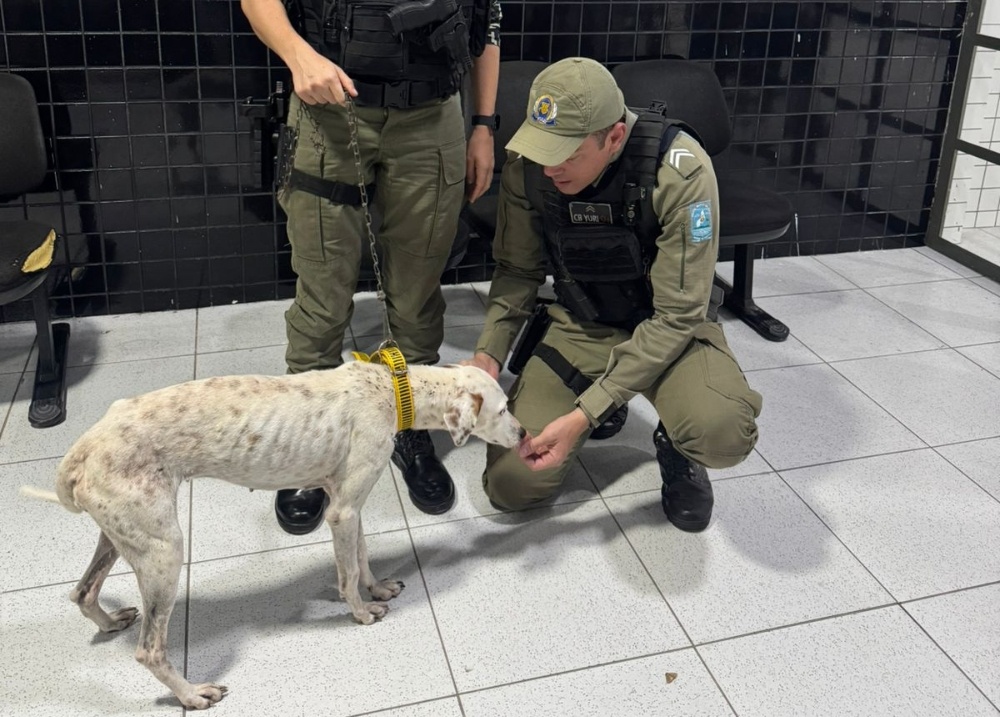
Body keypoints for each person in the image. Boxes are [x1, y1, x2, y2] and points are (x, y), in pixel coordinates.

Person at [466, 57, 762, 531]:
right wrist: (488, 355)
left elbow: (677, 316)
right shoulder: (530, 167)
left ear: (615, 138)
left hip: (667, 331)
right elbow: (517, 270)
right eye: (543, 149)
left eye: (567, 154)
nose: (550, 168)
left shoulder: (679, 172)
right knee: (511, 486)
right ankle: (599, 396)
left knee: (722, 432)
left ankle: (675, 446)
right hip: (582, 323)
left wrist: (585, 414)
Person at [241, 0, 502, 532]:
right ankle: (308, 436)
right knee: (322, 292)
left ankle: (410, 422)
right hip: (329, 111)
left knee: (417, 291)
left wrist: (483, 125)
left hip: (432, 116)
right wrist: (297, 54)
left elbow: (487, 19)